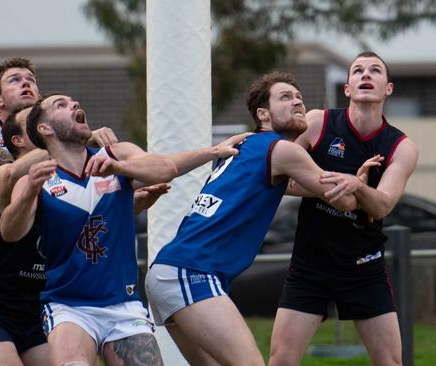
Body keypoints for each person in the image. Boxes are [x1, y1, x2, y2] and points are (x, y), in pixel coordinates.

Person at [0, 93, 247, 366]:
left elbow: (165, 167)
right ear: (44, 129)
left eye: (74, 102)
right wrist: (27, 194)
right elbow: (10, 232)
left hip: (123, 304)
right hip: (68, 305)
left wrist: (121, 167)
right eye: (61, 104)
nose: (75, 104)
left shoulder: (116, 154)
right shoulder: (37, 177)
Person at [144, 71, 365, 366]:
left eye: (299, 98)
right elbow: (345, 199)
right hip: (191, 270)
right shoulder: (282, 149)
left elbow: (291, 185)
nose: (298, 103)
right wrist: (358, 183)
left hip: (169, 271)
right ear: (263, 114)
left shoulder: (245, 146)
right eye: (285, 98)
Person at [0, 57, 119, 366]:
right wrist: (17, 162)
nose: (25, 83)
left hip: (32, 269)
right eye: (14, 80)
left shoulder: (57, 139)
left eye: (30, 79)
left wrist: (84, 138)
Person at [268, 52, 419, 366]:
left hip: (363, 266)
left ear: (387, 88)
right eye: (358, 70)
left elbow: (383, 205)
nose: (366, 74)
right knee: (281, 359)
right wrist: (333, 189)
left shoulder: (401, 147)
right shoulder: (318, 122)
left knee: (390, 361)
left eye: (375, 70)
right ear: (348, 88)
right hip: (311, 263)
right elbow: (280, 176)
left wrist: (359, 187)